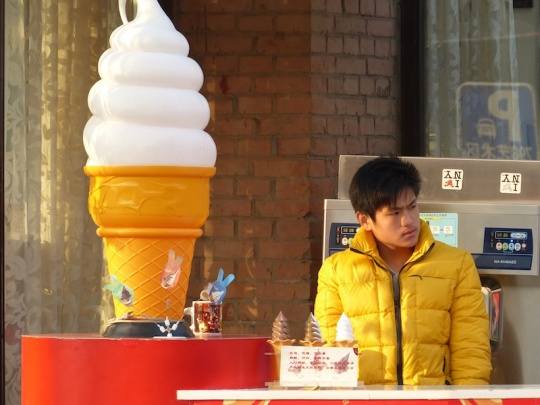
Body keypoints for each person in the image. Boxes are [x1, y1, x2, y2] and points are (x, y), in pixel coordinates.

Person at [314, 156, 491, 385]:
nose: (408, 221)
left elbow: (470, 349)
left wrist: (470, 398)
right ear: (365, 220)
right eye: (395, 213)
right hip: (365, 398)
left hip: (432, 398)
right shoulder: (336, 271)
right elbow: (329, 350)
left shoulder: (457, 264)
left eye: (412, 207)